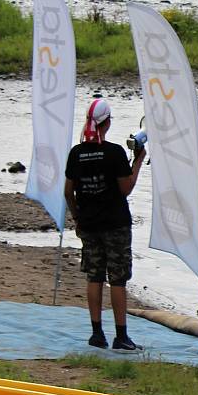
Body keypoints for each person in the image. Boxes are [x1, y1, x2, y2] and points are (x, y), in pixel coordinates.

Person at [64, 99, 146, 351]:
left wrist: (77, 218)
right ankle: (121, 336)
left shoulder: (76, 153)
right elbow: (125, 188)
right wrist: (138, 160)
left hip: (89, 224)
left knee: (95, 276)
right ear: (107, 122)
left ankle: (96, 333)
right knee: (118, 279)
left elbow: (68, 192)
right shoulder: (114, 153)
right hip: (116, 224)